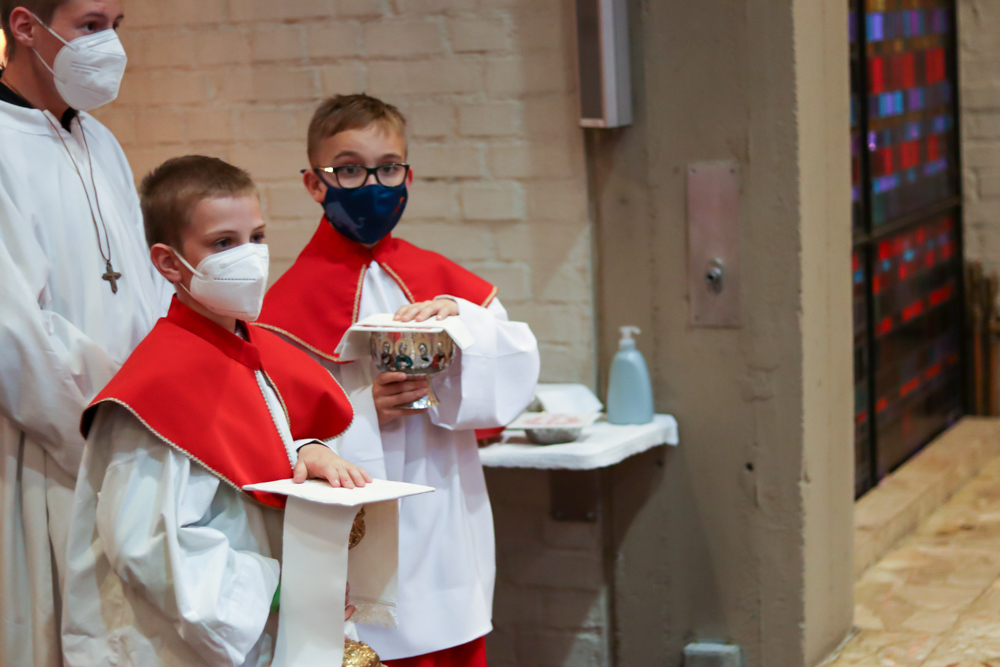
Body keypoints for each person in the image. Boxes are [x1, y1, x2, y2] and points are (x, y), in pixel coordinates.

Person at [256, 94, 540, 666]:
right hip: (359, 526)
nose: (373, 184)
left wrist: (463, 324)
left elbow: (513, 378)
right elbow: (278, 432)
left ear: (407, 176)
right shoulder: (281, 309)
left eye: (388, 168)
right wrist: (363, 412)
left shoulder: (442, 282)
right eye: (350, 169)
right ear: (315, 183)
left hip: (447, 514)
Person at [60, 156, 374, 666]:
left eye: (257, 237)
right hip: (197, 641)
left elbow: (260, 446)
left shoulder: (255, 352)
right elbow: (149, 547)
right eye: (223, 243)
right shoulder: (157, 387)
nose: (249, 257)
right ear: (169, 263)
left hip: (273, 621)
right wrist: (281, 589)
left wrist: (308, 448)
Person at [0, 1, 170, 663]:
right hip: (49, 446)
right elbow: (15, 331)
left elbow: (146, 291)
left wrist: (161, 407)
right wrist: (113, 428)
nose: (110, 45)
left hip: (134, 438)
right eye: (91, 26)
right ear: (25, 27)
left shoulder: (101, 141)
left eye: (116, 26)